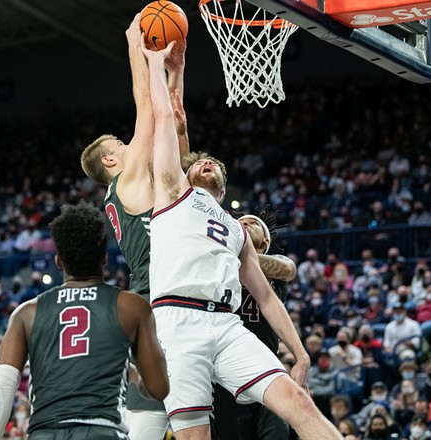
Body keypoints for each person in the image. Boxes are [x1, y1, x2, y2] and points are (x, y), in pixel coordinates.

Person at [141, 38, 342, 440]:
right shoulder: (172, 192)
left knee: (300, 402)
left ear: (222, 182)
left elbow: (266, 296)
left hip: (227, 322)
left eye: (213, 162)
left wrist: (300, 356)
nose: (207, 161)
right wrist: (156, 65)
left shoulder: (235, 227)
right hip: (177, 320)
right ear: (188, 172)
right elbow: (166, 120)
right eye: (199, 161)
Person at [80, 13, 188, 440]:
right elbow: (147, 107)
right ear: (110, 160)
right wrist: (136, 49)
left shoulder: (133, 186)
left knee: (170, 409)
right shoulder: (127, 180)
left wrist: (176, 73)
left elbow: (173, 124)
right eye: (120, 146)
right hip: (162, 298)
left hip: (159, 294)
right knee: (162, 414)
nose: (128, 144)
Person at [0, 203, 169, 440]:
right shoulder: (131, 306)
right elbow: (159, 389)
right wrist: (131, 373)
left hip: (45, 432)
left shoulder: (26, 313)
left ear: (58, 261)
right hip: (103, 431)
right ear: (105, 258)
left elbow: (0, 391)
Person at [212, 207, 297, 440]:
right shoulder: (219, 266)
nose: (245, 224)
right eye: (240, 222)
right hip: (226, 371)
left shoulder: (276, 265)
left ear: (266, 240)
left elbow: (288, 269)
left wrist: (233, 253)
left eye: (252, 223)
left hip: (266, 366)